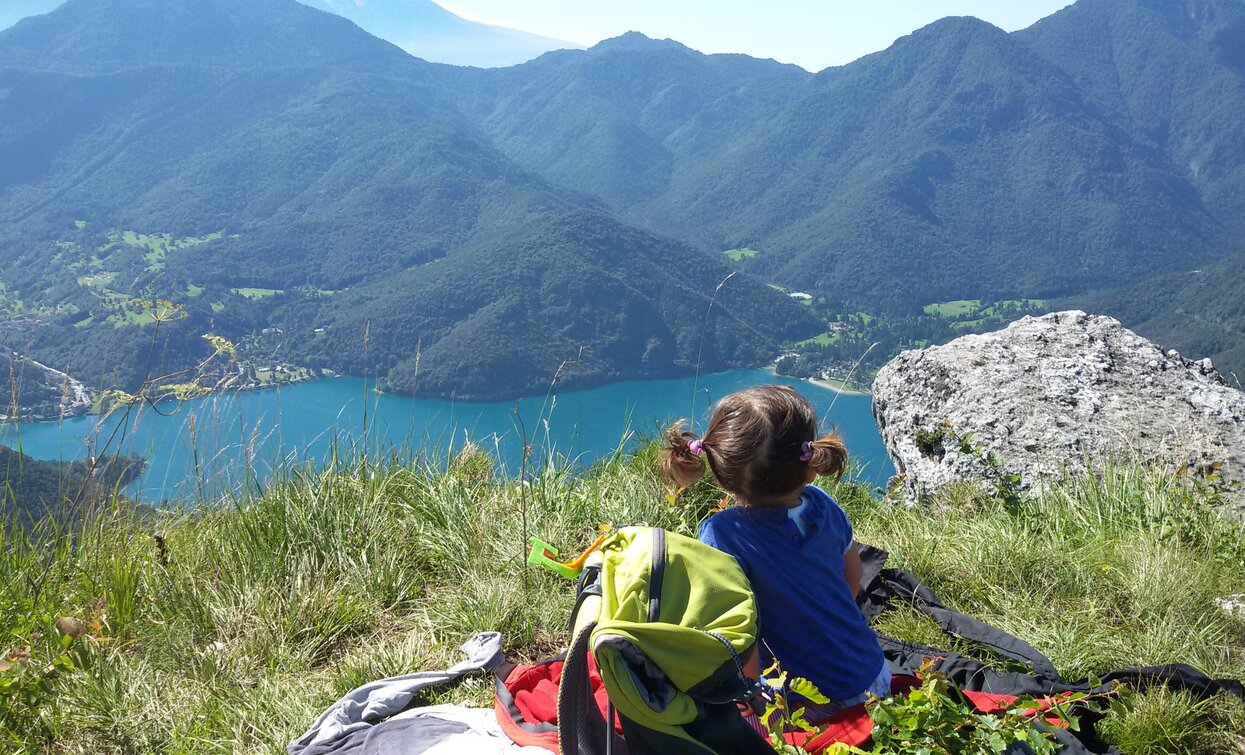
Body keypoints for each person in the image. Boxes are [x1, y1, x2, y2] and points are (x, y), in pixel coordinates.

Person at [661, 385, 889, 723]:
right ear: (811, 466)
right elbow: (853, 576)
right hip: (875, 675)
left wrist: (746, 705)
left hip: (814, 705)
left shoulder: (721, 535)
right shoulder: (826, 507)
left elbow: (738, 635)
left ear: (722, 475)